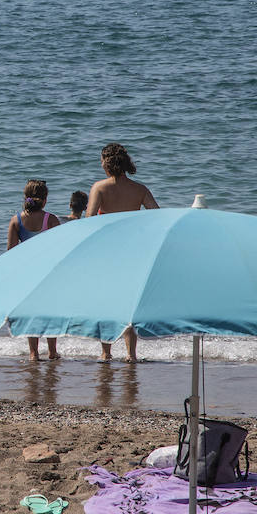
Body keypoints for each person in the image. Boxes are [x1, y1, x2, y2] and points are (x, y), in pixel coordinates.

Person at [87, 142, 159, 362]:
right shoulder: (139, 189)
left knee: (106, 302)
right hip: (133, 252)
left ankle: (106, 352)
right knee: (129, 304)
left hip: (107, 251)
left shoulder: (99, 188)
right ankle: (131, 354)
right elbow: (156, 216)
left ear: (106, 163)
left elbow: (89, 220)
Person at [6, 179, 62, 361]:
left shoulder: (16, 220)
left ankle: (33, 353)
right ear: (45, 200)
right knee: (50, 312)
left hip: (27, 274)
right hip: (49, 273)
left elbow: (11, 253)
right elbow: (61, 249)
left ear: (25, 197)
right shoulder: (51, 219)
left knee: (31, 312)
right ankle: (52, 351)